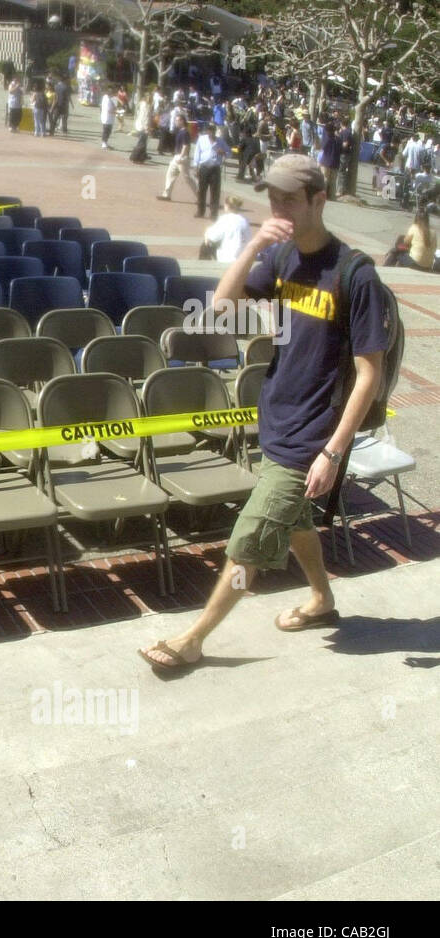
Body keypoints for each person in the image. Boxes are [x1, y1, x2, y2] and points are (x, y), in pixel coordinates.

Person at [139, 155, 388, 670]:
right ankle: (321, 599)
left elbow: (370, 375)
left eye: (290, 199)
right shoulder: (281, 259)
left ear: (320, 200)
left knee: (249, 539)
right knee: (296, 523)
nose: (279, 208)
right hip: (276, 417)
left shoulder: (355, 275)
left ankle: (193, 640)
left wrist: (332, 453)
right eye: (273, 199)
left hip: (314, 436)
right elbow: (219, 313)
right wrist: (254, 245)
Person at [157, 112, 196, 201]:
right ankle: (166, 195)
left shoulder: (185, 132)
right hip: (177, 156)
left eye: (177, 120)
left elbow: (186, 146)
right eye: (176, 120)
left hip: (182, 157)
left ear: (182, 121)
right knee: (170, 174)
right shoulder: (180, 131)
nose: (176, 122)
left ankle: (199, 196)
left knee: (187, 178)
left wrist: (181, 157)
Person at [202, 194, 251, 262]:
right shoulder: (245, 220)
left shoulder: (225, 219)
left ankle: (204, 268)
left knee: (205, 244)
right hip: (243, 256)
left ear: (227, 206)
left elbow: (212, 237)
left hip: (228, 257)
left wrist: (207, 232)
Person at [192, 122, 224, 219]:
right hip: (204, 167)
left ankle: (214, 213)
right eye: (209, 131)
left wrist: (223, 152)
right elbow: (197, 152)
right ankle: (200, 211)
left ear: (215, 131)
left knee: (215, 191)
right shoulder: (202, 139)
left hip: (215, 168)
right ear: (207, 131)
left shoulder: (220, 141)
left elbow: (229, 152)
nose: (211, 133)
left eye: (213, 131)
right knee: (202, 191)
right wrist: (195, 166)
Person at [99, 85, 116, 149]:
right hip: (107, 117)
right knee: (106, 131)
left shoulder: (107, 97)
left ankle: (105, 142)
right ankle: (104, 143)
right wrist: (116, 112)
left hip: (107, 117)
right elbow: (109, 110)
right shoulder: (107, 98)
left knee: (107, 131)